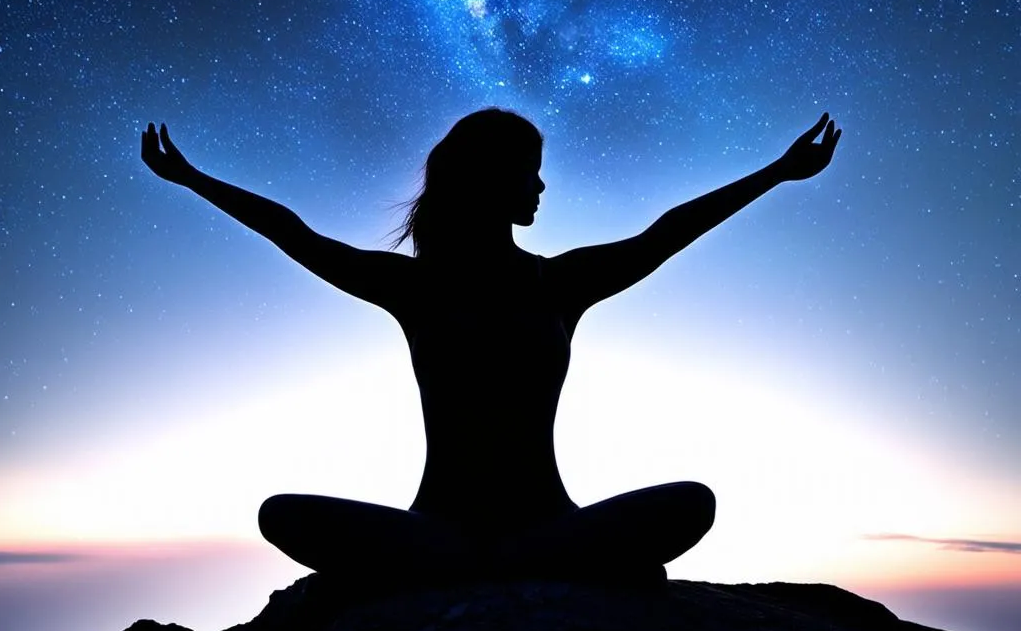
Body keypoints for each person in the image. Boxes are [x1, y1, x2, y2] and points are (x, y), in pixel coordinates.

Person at [141, 108, 841, 589]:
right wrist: (195, 179)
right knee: (281, 514)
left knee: (692, 501)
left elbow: (664, 234)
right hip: (442, 534)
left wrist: (775, 173)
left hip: (540, 532)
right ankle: (525, 572)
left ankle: (496, 571)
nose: (540, 185)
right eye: (527, 171)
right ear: (486, 179)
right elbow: (295, 234)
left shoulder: (560, 282)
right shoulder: (414, 286)